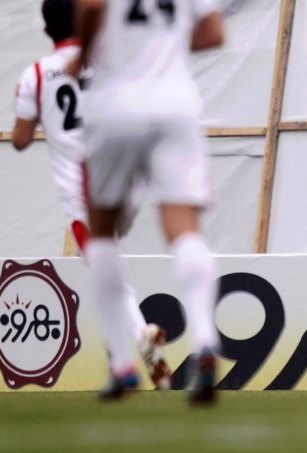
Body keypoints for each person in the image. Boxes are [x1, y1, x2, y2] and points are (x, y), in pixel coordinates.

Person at [12, 0, 172, 390]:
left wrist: (34, 112)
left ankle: (133, 347)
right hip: (128, 179)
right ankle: (135, 349)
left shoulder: (36, 75)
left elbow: (20, 139)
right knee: (109, 264)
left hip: (82, 195)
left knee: (105, 271)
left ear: (46, 30)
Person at [70, 0, 224, 403]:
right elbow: (214, 32)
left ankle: (122, 364)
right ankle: (205, 339)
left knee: (101, 231)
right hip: (176, 105)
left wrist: (84, 56)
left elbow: (92, 8)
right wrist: (164, 46)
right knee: (184, 226)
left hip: (115, 104)